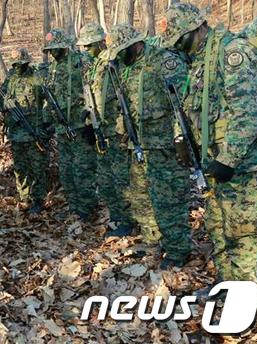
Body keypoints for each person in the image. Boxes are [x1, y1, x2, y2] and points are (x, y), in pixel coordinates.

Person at [161, 3, 257, 287]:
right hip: (212, 165)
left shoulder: (232, 52)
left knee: (243, 235)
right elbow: (190, 108)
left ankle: (250, 303)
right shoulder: (198, 60)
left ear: (197, 28)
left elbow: (249, 109)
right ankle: (228, 286)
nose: (179, 47)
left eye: (181, 39)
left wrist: (228, 159)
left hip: (238, 168)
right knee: (219, 231)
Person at [106, 24, 191, 268]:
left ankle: (177, 250)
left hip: (166, 147)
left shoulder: (164, 62)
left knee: (169, 201)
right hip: (139, 144)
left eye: (123, 50)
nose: (120, 56)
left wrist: (181, 142)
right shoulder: (125, 68)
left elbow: (183, 103)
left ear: (135, 43)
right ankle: (154, 242)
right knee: (142, 197)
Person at [77, 23, 134, 237]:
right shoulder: (95, 65)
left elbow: (123, 96)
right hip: (102, 131)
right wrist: (88, 119)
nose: (86, 50)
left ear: (100, 41)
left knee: (121, 179)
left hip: (116, 131)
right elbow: (93, 97)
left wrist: (122, 127)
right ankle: (118, 216)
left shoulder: (113, 61)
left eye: (89, 45)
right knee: (105, 178)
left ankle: (128, 220)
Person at [42, 28, 98, 221]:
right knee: (66, 170)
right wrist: (47, 119)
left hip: (80, 125)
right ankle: (74, 206)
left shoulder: (82, 62)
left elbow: (95, 90)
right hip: (61, 127)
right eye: (50, 50)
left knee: (83, 169)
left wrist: (91, 121)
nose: (52, 53)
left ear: (65, 46)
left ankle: (87, 208)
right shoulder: (53, 68)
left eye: (55, 49)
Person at [0, 48, 49, 214]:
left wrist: (45, 126)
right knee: (20, 168)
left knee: (37, 168)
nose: (18, 67)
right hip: (16, 133)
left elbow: (48, 102)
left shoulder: (37, 78)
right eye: (15, 64)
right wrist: (0, 103)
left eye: (21, 64)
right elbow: (0, 100)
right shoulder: (11, 78)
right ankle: (25, 197)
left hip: (34, 131)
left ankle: (38, 199)